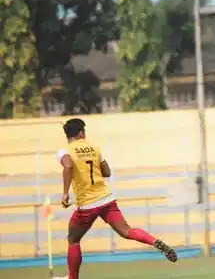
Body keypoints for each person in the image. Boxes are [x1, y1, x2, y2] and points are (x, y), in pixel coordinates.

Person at [57, 118, 176, 279]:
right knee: (127, 231)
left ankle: (73, 278)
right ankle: (154, 242)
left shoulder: (64, 151)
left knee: (73, 239)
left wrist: (65, 193)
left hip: (87, 203)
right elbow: (107, 172)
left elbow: (68, 166)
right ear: (81, 133)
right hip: (106, 199)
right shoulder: (94, 148)